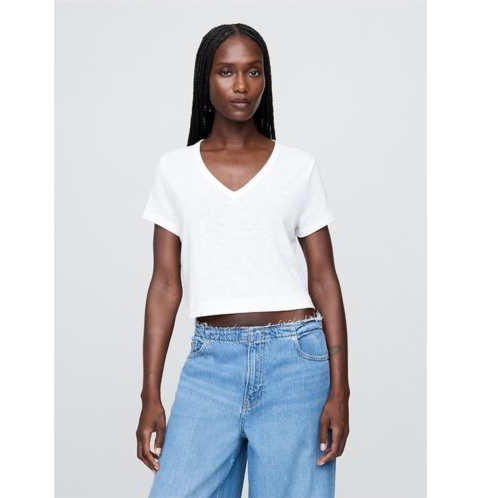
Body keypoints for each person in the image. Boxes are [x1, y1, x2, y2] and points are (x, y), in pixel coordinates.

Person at [136, 23, 350, 498]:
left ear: (265, 79)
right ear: (205, 79)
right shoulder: (174, 170)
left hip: (296, 363)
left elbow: (324, 280)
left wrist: (341, 390)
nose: (241, 85)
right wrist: (150, 392)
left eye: (253, 72)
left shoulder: (298, 167)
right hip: (211, 364)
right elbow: (165, 285)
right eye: (226, 71)